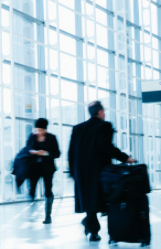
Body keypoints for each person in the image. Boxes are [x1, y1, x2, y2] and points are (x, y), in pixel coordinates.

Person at [68, 101, 135, 241]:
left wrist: (72, 172)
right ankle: (95, 228)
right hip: (98, 170)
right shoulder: (104, 126)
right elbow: (106, 147)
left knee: (89, 200)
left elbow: (71, 152)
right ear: (99, 112)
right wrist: (125, 158)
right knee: (103, 198)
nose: (104, 114)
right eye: (103, 111)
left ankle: (92, 230)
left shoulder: (77, 128)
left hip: (80, 171)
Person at [26, 118, 61, 224]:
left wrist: (45, 153)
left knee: (48, 191)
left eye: (41, 130)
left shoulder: (52, 138)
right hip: (34, 168)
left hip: (47, 168)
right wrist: (34, 152)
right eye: (37, 130)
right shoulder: (32, 137)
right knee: (32, 190)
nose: (39, 132)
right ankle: (31, 211)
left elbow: (57, 153)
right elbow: (27, 149)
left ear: (45, 129)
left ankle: (48, 216)